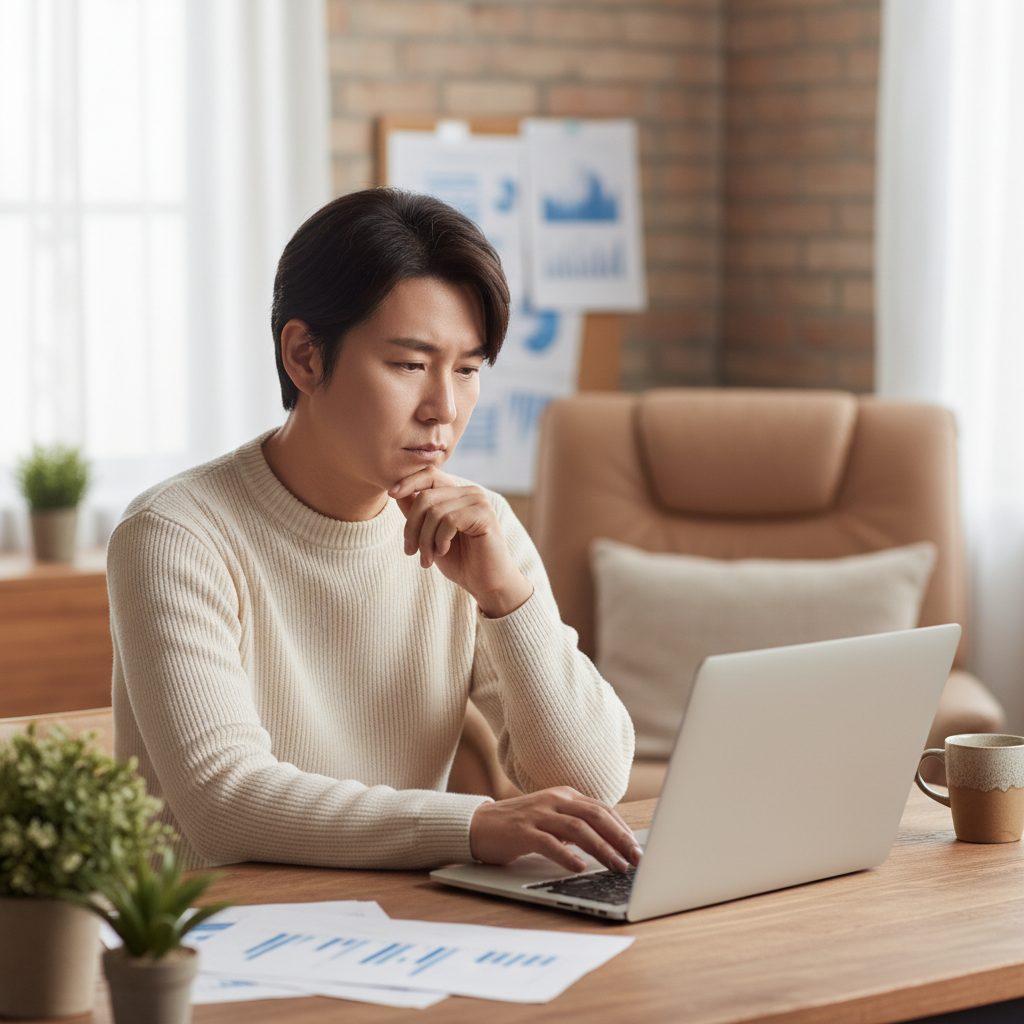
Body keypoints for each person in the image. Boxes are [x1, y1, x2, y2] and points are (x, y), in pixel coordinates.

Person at [108, 188, 638, 876]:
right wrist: (473, 826)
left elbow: (594, 779)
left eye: (469, 370)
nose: (444, 408)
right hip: (215, 946)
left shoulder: (478, 527)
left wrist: (507, 598)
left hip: (402, 926)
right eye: (409, 365)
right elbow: (224, 800)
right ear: (304, 355)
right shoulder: (175, 534)